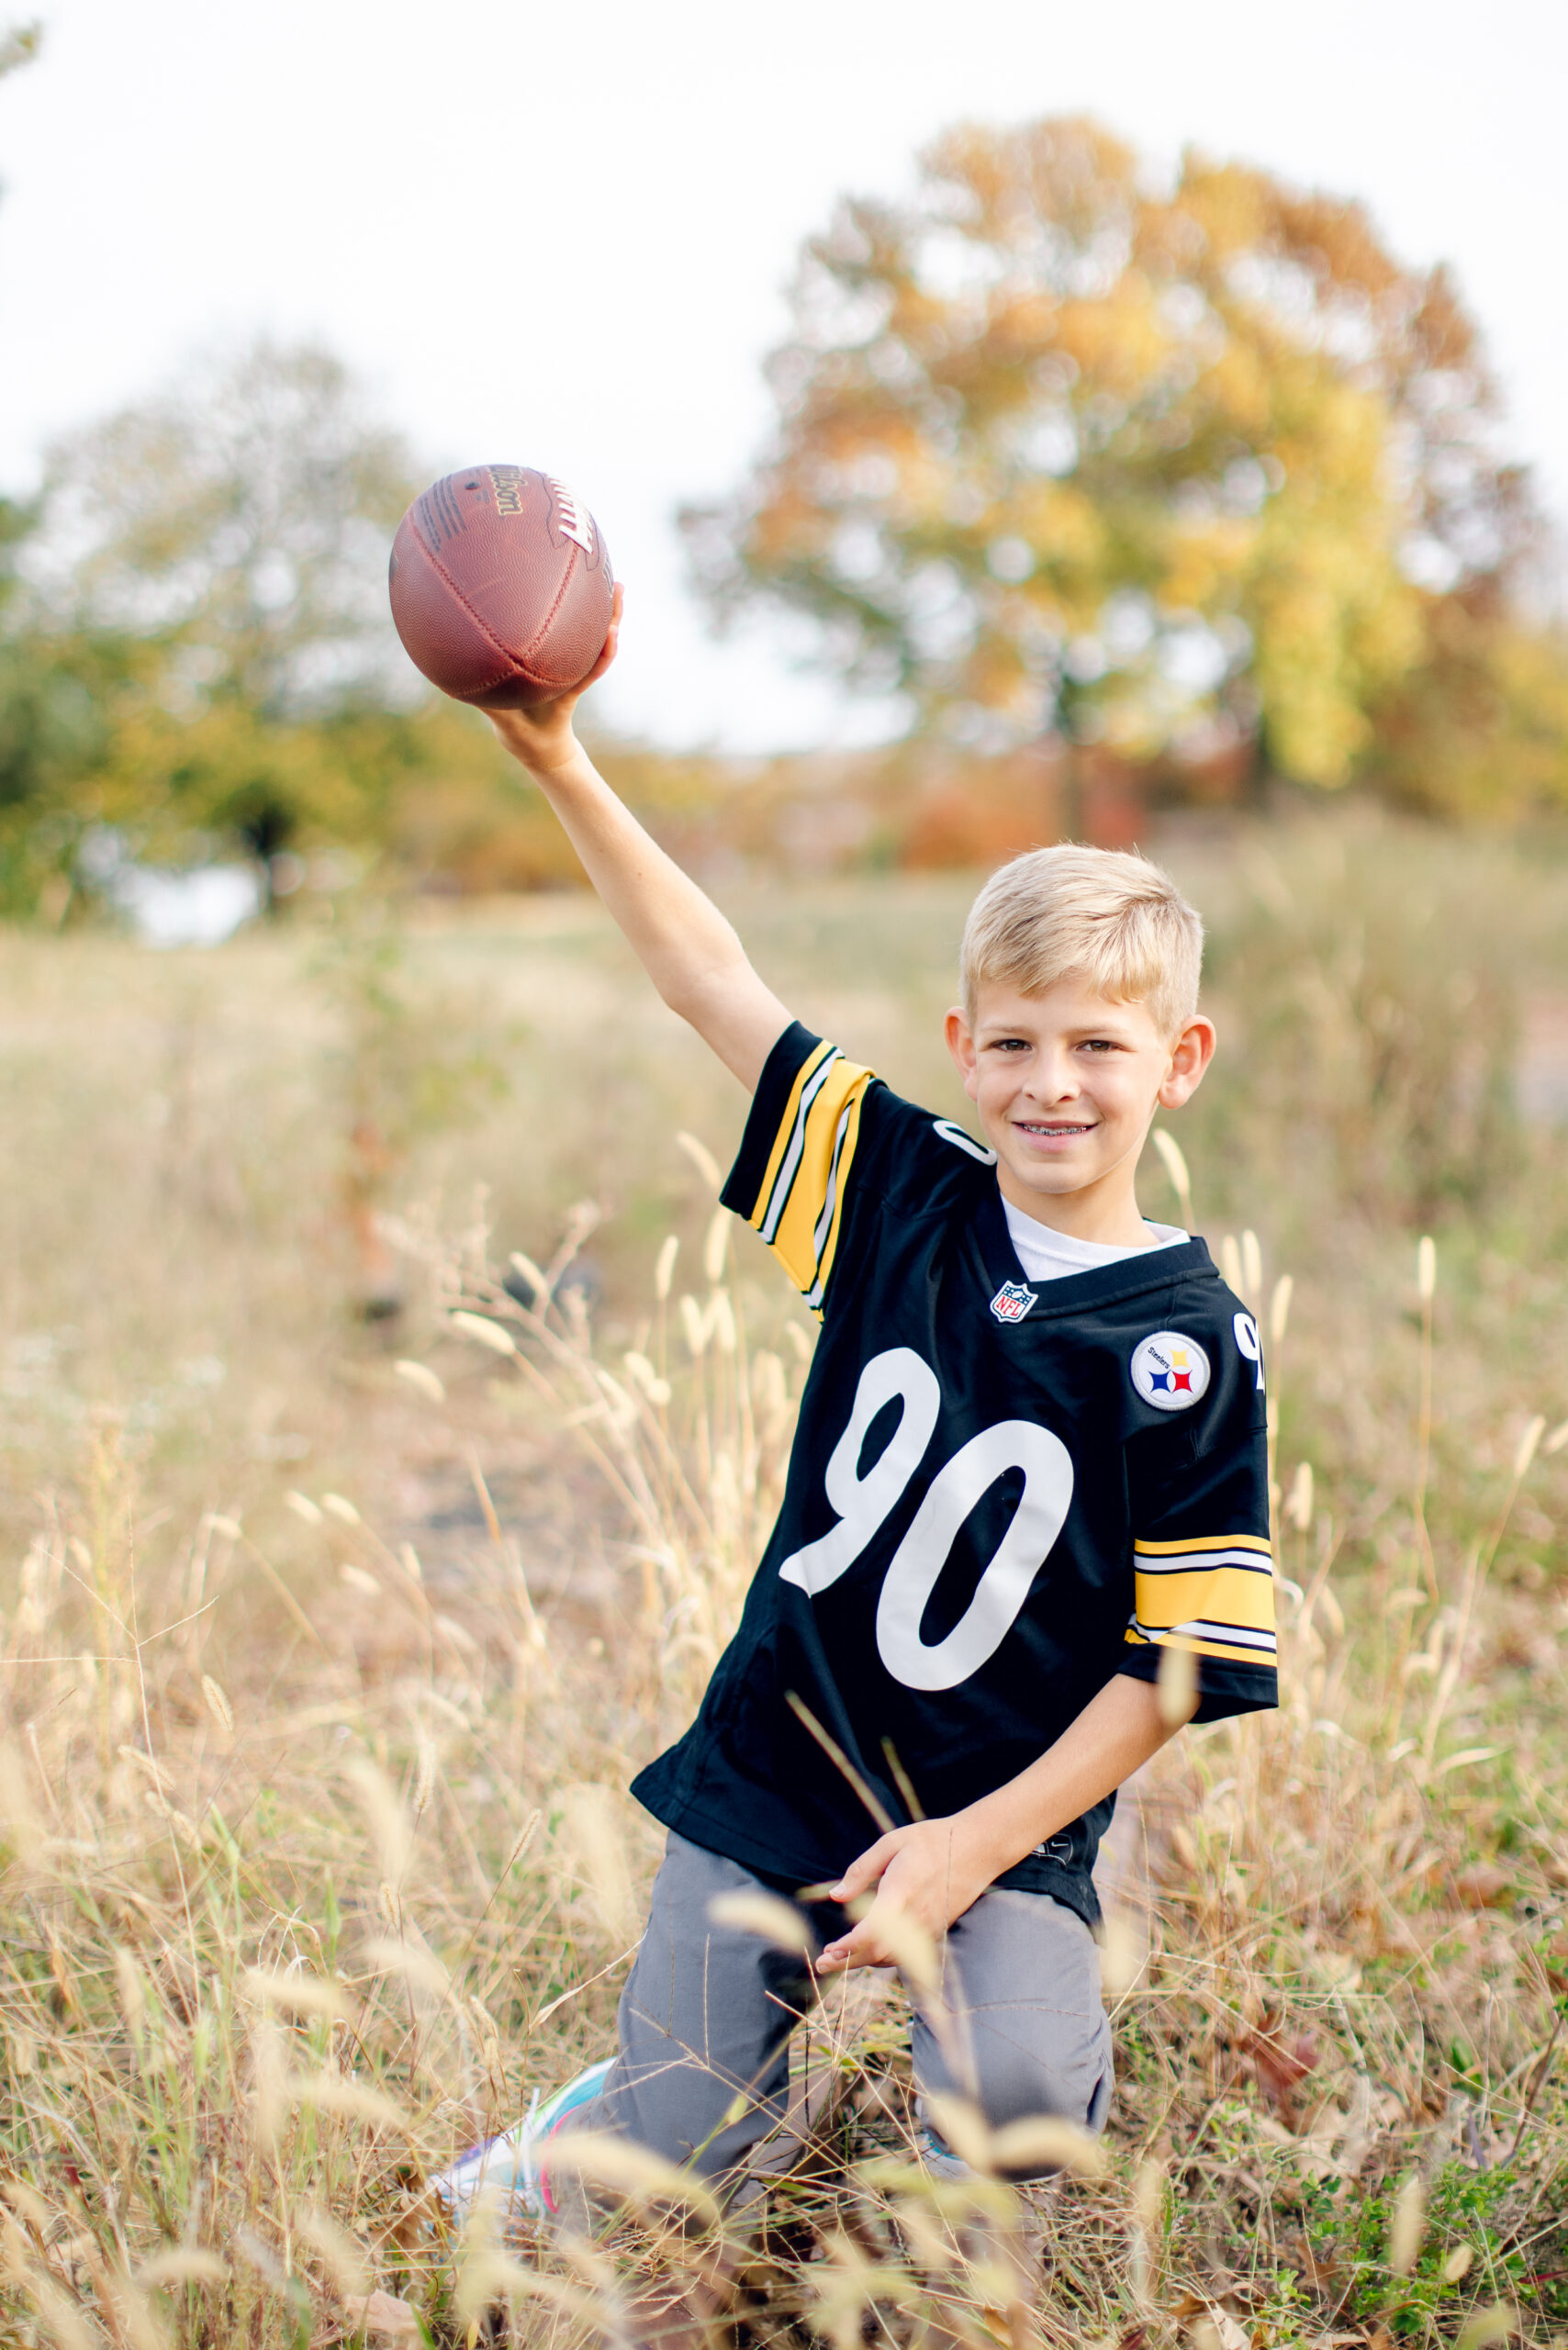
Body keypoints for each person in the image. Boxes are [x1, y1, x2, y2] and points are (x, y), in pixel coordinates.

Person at [438, 588, 1277, 2229]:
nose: (1054, 1082)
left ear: (1178, 1061)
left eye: (1099, 1045)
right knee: (666, 2156)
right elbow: (708, 979)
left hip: (1000, 1809)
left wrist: (972, 1846)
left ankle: (1010, 2047)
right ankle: (596, 2120)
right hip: (780, 1761)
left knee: (1020, 2144)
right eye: (1017, 1041)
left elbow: (1179, 1660)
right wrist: (554, 757)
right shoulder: (903, 1194)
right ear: (963, 1045)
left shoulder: (1190, 1341)